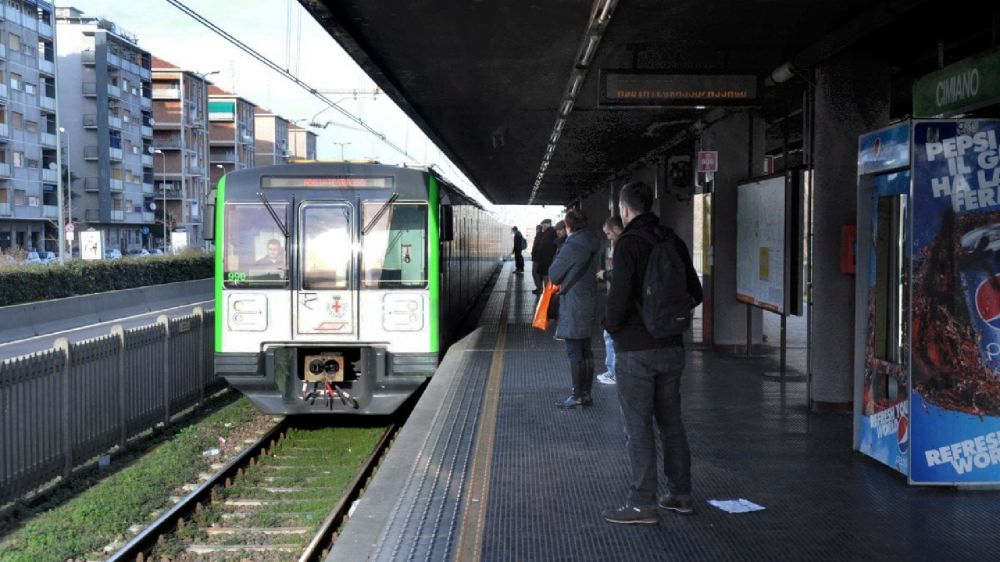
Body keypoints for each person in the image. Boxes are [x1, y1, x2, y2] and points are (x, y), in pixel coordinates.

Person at [602, 181, 703, 525]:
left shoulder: (627, 244)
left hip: (635, 351)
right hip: (672, 347)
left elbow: (617, 302)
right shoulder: (672, 239)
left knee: (638, 426)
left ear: (625, 209)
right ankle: (681, 495)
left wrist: (611, 327)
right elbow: (696, 291)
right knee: (672, 424)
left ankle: (642, 504)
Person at [547, 209, 602, 409]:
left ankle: (578, 395)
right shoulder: (594, 242)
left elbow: (554, 274)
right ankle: (586, 394)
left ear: (568, 225)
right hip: (590, 300)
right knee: (586, 349)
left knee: (574, 351)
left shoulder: (572, 245)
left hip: (574, 303)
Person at [596, 216, 624, 385]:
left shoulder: (623, 244)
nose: (607, 237)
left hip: (619, 299)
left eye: (608, 233)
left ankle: (613, 372)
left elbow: (620, 274)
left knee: (609, 335)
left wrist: (605, 274)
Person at [531, 219, 557, 294]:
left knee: (546, 278)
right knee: (544, 277)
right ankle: (544, 292)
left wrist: (537, 257)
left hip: (546, 261)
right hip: (544, 260)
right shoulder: (547, 233)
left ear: (547, 224)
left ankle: (546, 295)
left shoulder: (550, 233)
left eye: (543, 225)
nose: (542, 227)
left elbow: (544, 248)